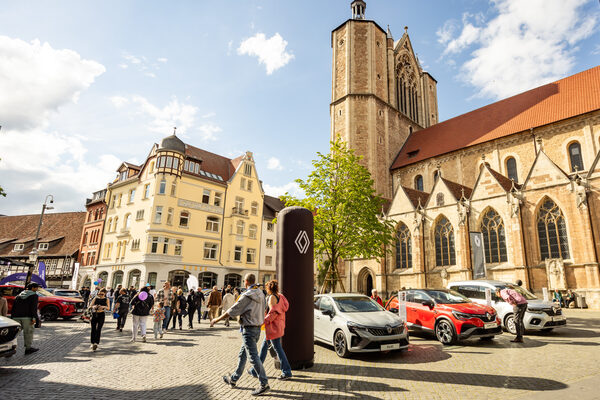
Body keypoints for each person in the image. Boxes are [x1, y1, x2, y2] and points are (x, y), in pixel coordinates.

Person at [211, 273, 269, 396]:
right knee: (243, 354)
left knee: (253, 357)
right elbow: (265, 308)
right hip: (257, 328)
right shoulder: (261, 294)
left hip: (248, 330)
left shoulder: (247, 296)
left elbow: (231, 311)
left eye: (244, 281)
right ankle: (233, 379)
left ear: (246, 282)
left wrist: (216, 320)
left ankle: (264, 384)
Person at [250, 280, 292, 380]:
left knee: (278, 349)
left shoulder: (272, 298)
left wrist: (261, 321)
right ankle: (255, 370)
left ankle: (287, 372)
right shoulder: (280, 296)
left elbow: (273, 313)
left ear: (269, 288)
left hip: (273, 327)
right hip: (278, 326)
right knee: (264, 348)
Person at [11, 283, 40, 355]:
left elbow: (14, 307)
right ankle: (28, 348)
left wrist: (12, 317)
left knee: (13, 334)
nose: (37, 289)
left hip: (16, 317)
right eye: (36, 287)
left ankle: (10, 348)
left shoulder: (18, 296)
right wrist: (34, 318)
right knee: (28, 333)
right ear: (33, 288)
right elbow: (33, 308)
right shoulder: (34, 295)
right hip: (27, 317)